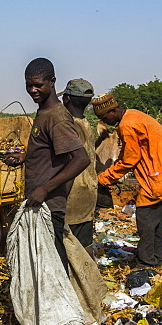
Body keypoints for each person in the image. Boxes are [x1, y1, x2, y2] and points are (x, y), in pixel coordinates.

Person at [93, 93, 162, 268]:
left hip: (159, 173)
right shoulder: (133, 115)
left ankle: (146, 261)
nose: (106, 122)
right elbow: (131, 152)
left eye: (105, 117)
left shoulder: (127, 125)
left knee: (145, 219)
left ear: (112, 110)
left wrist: (104, 178)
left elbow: (129, 160)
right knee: (158, 219)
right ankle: (157, 257)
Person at [20, 59, 90, 268]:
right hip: (39, 202)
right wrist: (24, 158)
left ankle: (63, 302)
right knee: (41, 265)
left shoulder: (57, 117)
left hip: (49, 205)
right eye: (28, 85)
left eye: (38, 85)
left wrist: (45, 188)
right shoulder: (44, 112)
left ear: (52, 82)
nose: (33, 90)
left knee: (54, 267)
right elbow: (51, 151)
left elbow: (81, 159)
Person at [60, 79, 97, 249]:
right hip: (88, 191)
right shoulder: (86, 123)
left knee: (69, 246)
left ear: (66, 99)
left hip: (71, 195)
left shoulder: (70, 126)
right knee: (85, 244)